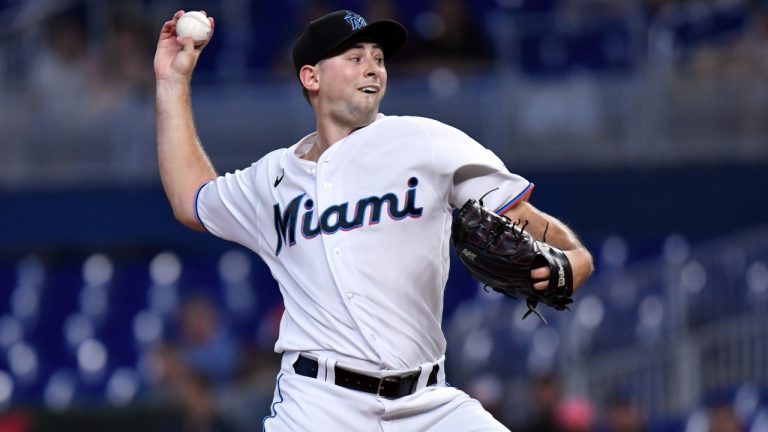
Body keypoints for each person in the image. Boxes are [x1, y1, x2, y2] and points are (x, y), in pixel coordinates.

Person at [154, 9, 594, 431]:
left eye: (379, 59)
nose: (373, 68)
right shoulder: (271, 179)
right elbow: (190, 199)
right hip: (319, 404)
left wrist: (577, 257)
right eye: (355, 57)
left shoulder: (424, 140)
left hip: (427, 402)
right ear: (312, 77)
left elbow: (520, 215)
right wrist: (172, 83)